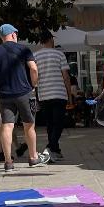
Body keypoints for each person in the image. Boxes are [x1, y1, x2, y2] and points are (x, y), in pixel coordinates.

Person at [0, 23, 49, 171]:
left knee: (7, 126)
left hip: (5, 95)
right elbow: (33, 68)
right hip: (24, 93)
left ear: (2, 37)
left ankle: (8, 162)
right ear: (13, 34)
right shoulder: (23, 49)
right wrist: (33, 84)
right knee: (29, 125)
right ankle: (33, 157)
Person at [33, 32, 71, 162]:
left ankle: (55, 150)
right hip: (59, 93)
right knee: (59, 123)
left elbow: (34, 76)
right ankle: (50, 147)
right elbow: (66, 76)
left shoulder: (35, 56)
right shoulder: (59, 54)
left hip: (44, 94)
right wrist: (69, 94)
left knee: (50, 124)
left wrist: (36, 93)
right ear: (50, 39)